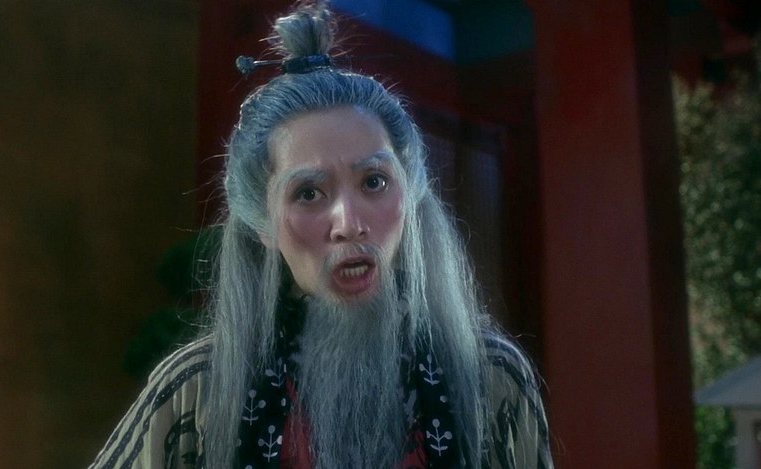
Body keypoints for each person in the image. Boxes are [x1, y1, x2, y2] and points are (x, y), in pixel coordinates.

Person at [90, 1, 552, 468]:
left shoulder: (489, 378)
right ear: (263, 224)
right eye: (308, 193)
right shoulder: (197, 390)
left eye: (374, 182)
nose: (349, 224)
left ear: (410, 197)